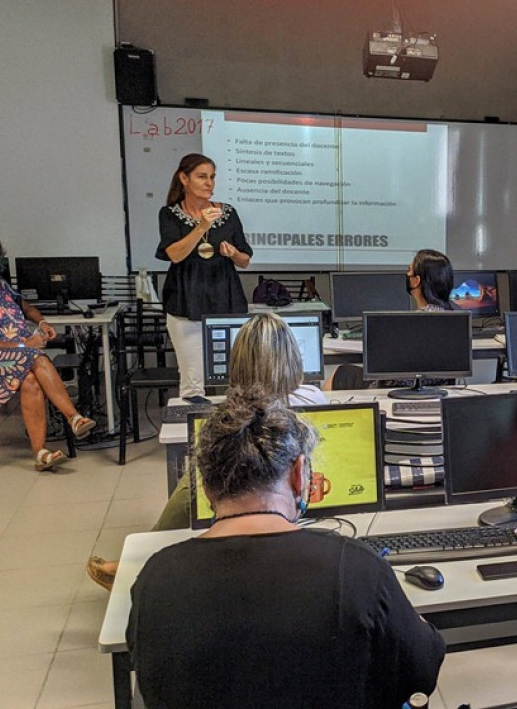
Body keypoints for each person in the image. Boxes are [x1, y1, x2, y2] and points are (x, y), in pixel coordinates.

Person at [127, 390, 444, 709]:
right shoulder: (360, 570)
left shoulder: (155, 577)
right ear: (298, 475)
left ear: (207, 486)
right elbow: (421, 673)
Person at [87, 313, 326, 588]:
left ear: (238, 363)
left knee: (194, 479)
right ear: (293, 358)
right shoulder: (312, 397)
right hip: (305, 495)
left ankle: (140, 560)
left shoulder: (234, 415)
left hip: (254, 498)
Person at [0, 229, 96, 471]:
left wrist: (42, 322)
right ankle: (73, 417)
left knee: (32, 380)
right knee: (34, 356)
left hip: (16, 355)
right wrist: (22, 345)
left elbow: (25, 307)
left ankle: (41, 453)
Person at [156, 153, 252, 398]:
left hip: (226, 300)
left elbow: (245, 260)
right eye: (202, 176)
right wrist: (201, 227)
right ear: (184, 179)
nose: (209, 183)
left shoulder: (228, 213)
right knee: (193, 381)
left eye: (212, 177)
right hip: (186, 302)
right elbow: (175, 254)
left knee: (238, 377)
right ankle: (196, 432)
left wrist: (233, 254)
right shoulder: (169, 214)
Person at [328, 248, 455, 390]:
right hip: (438, 390)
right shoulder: (453, 319)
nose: (406, 274)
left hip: (398, 390)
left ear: (416, 281)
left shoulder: (412, 323)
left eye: (409, 270)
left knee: (341, 372)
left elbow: (392, 374)